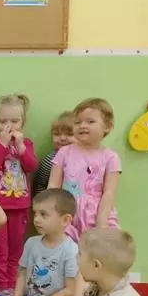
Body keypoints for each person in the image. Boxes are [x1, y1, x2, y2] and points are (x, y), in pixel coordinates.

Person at [0, 94, 38, 296]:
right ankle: (1, 289)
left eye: (14, 121)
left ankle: (13, 288)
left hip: (19, 206)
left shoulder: (26, 143)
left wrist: (21, 149)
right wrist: (2, 144)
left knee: (15, 250)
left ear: (23, 122)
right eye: (2, 121)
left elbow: (32, 166)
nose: (8, 125)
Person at [3, 189, 78, 296]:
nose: (36, 219)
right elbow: (22, 272)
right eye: (35, 214)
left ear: (65, 220)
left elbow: (70, 290)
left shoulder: (71, 250)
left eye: (43, 215)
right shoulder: (32, 243)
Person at [48, 98, 121, 243]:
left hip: (97, 215)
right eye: (77, 122)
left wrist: (101, 224)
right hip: (67, 213)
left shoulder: (110, 157)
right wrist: (52, 213)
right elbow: (53, 186)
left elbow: (109, 193)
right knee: (67, 252)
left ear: (107, 126)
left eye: (90, 121)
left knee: (99, 251)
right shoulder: (64, 152)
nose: (82, 126)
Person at [32, 111, 74, 195]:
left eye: (69, 134)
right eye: (57, 134)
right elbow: (40, 184)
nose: (62, 138)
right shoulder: (50, 160)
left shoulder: (86, 159)